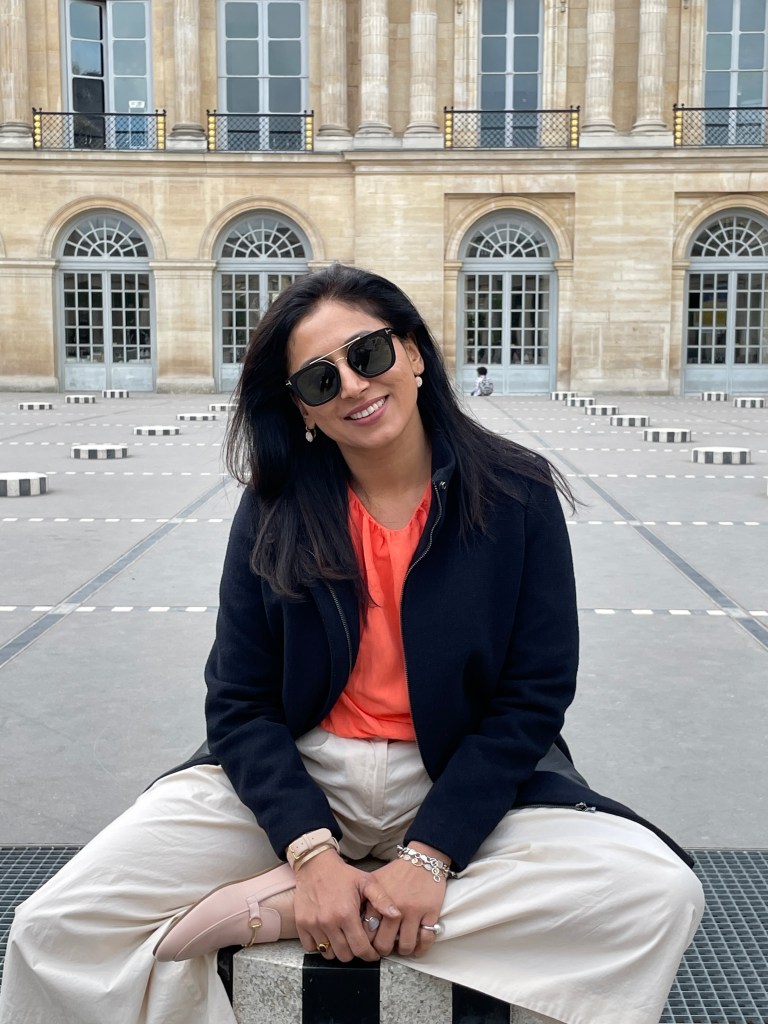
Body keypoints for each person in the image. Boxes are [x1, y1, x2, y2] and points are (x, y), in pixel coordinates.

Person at [0, 264, 704, 1024]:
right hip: (305, 770)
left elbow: (531, 698)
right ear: (302, 408)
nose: (355, 387)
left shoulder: (515, 492)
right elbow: (238, 701)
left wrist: (430, 856)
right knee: (54, 928)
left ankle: (293, 912)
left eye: (368, 353)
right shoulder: (274, 507)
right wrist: (309, 851)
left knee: (657, 895)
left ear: (414, 353)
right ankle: (342, 898)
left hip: (453, 772)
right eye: (319, 379)